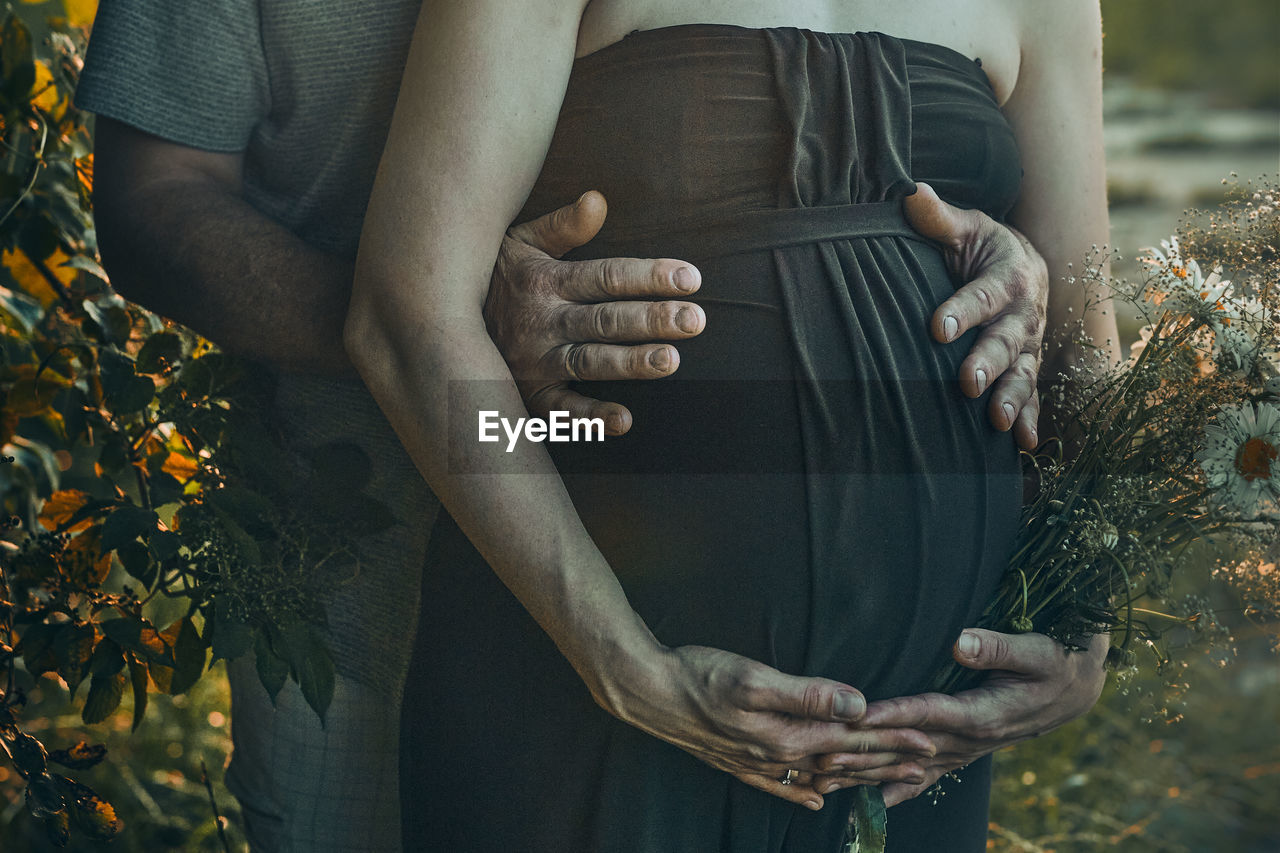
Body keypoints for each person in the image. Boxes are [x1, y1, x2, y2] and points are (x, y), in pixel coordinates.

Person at [73, 2, 1100, 851]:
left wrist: (1093, 619)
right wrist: (620, 659)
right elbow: (189, 218)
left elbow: (1083, 328)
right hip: (420, 511)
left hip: (903, 707)